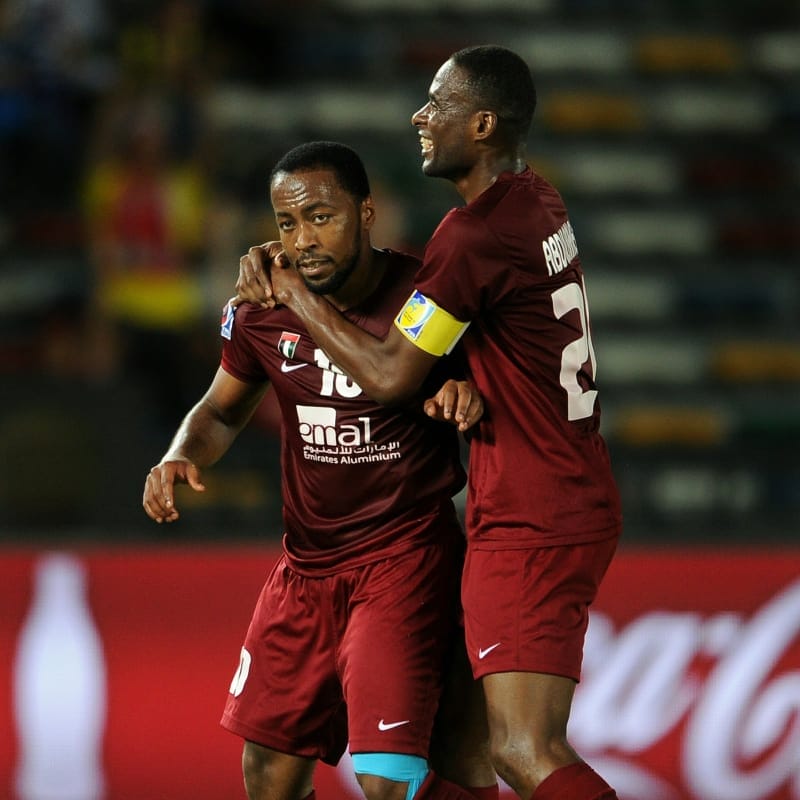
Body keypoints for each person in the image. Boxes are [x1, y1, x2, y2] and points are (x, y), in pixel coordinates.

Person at [235, 46, 623, 800]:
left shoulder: (471, 235)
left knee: (522, 750)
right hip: (560, 490)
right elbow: (492, 333)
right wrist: (460, 382)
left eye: (438, 103)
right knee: (461, 751)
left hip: (533, 513)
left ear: (481, 125)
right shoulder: (537, 200)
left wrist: (295, 293)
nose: (420, 116)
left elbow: (389, 375)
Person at [143, 141, 498, 800]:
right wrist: (180, 453)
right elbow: (220, 410)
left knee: (387, 780)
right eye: (287, 222)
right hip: (304, 570)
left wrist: (466, 394)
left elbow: (486, 384)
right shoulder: (258, 310)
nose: (303, 239)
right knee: (268, 776)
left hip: (403, 559)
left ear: (366, 212)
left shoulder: (425, 296)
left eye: (321, 217)